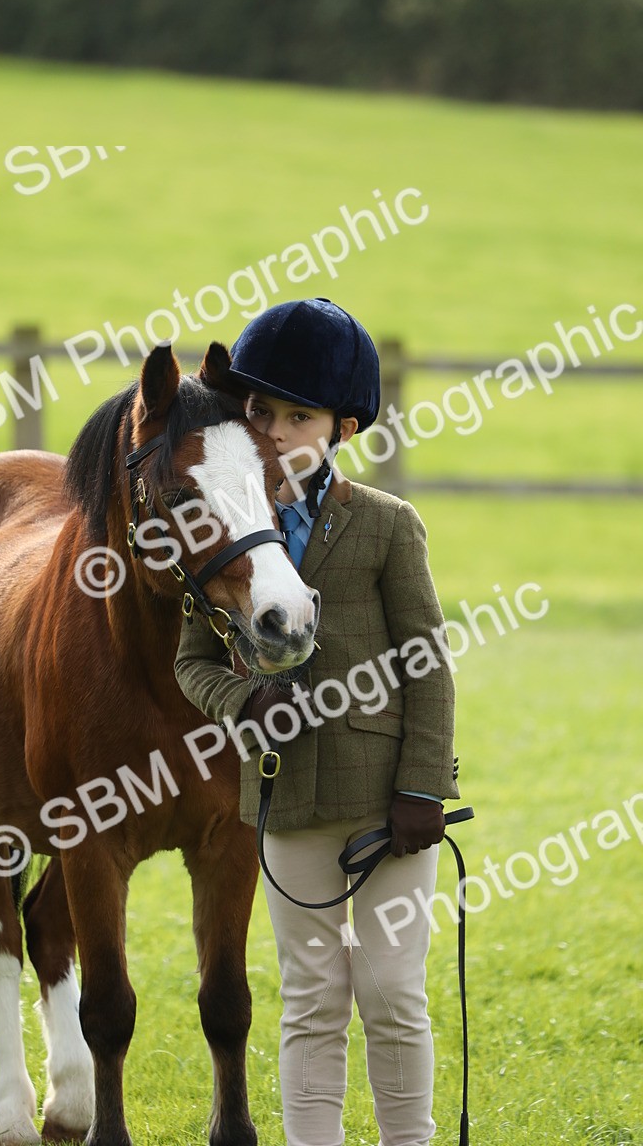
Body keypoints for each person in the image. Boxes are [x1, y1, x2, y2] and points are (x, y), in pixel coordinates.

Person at [174, 296, 460, 1146]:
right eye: (261, 411)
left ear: (342, 428)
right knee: (310, 999)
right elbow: (192, 662)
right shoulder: (220, 525)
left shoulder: (387, 525)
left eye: (298, 417)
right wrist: (246, 702)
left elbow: (427, 664)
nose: (274, 432)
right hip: (286, 799)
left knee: (392, 992)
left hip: (387, 805)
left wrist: (423, 787)